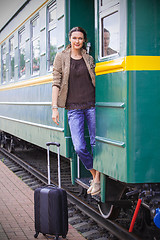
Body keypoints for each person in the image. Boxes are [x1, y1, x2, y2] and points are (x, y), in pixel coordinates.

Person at [52, 26, 100, 196]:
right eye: (74, 38)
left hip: (92, 105)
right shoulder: (61, 57)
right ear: (69, 39)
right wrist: (54, 108)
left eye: (80, 38)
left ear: (84, 40)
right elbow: (56, 82)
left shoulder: (89, 58)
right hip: (73, 108)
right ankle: (95, 174)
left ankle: (97, 180)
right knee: (79, 146)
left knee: (96, 143)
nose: (77, 41)